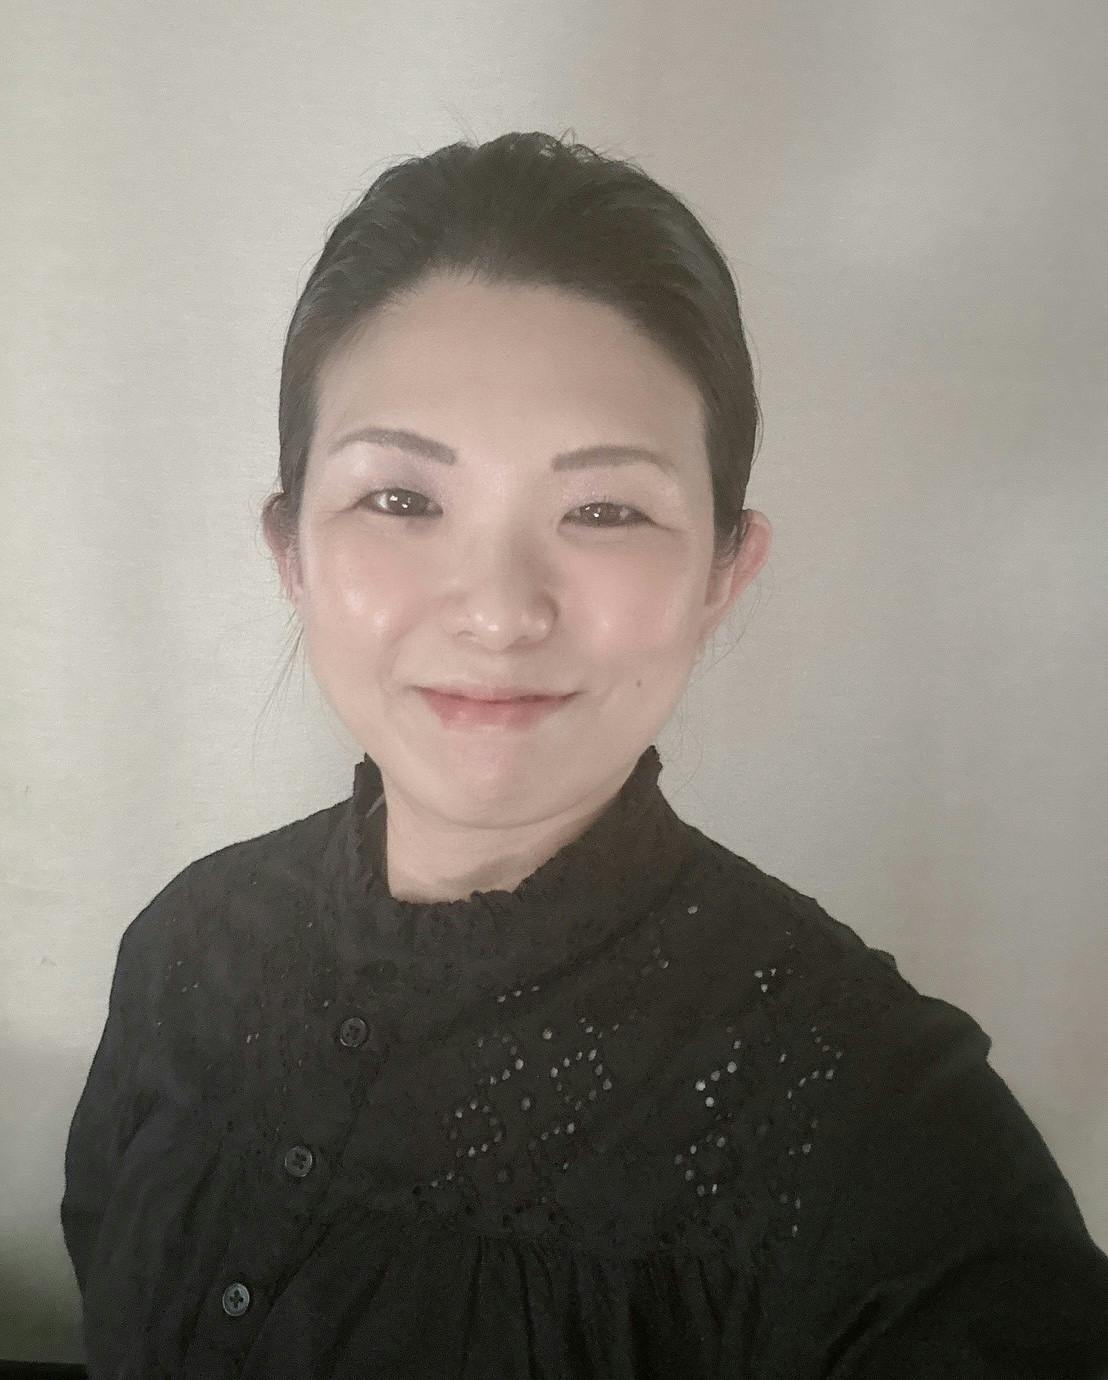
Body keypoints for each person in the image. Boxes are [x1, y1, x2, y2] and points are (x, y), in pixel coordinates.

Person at [61, 130, 1108, 1379]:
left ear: (722, 571)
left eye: (604, 511)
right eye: (400, 499)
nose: (500, 612)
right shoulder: (182, 949)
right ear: (292, 550)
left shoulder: (881, 1129)